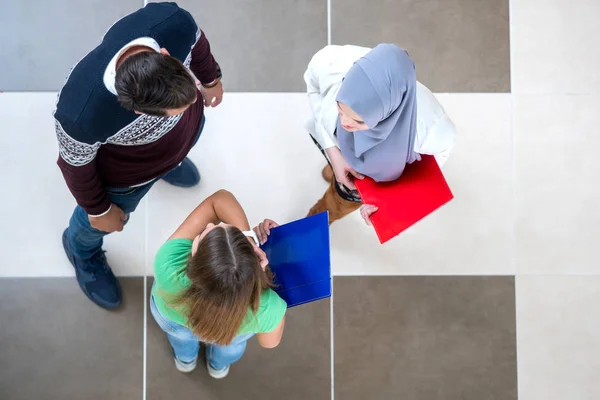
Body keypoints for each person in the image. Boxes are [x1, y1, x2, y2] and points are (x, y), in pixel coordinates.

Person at [55, 2, 223, 309]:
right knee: (94, 224)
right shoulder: (80, 114)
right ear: (136, 111)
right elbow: (75, 165)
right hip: (128, 177)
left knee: (185, 130)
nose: (187, 109)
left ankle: (169, 164)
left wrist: (210, 80)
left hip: (173, 146)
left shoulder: (172, 21)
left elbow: (197, 44)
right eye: (175, 112)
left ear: (165, 55)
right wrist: (98, 210)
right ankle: (82, 251)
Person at [304, 44, 457, 225]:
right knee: (337, 167)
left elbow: (435, 162)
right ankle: (333, 170)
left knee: (336, 203)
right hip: (336, 148)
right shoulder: (330, 62)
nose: (345, 124)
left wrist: (389, 202)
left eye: (359, 121)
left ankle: (314, 221)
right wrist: (332, 152)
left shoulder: (432, 129)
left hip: (374, 175)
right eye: (340, 108)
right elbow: (314, 89)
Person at [150, 189, 286, 379]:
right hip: (230, 331)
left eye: (205, 232)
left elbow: (218, 200)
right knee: (229, 347)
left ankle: (185, 360)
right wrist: (257, 274)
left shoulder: (168, 264)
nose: (208, 224)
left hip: (175, 321)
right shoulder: (267, 307)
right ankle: (217, 366)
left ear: (196, 255)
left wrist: (246, 238)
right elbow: (269, 343)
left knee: (181, 339)